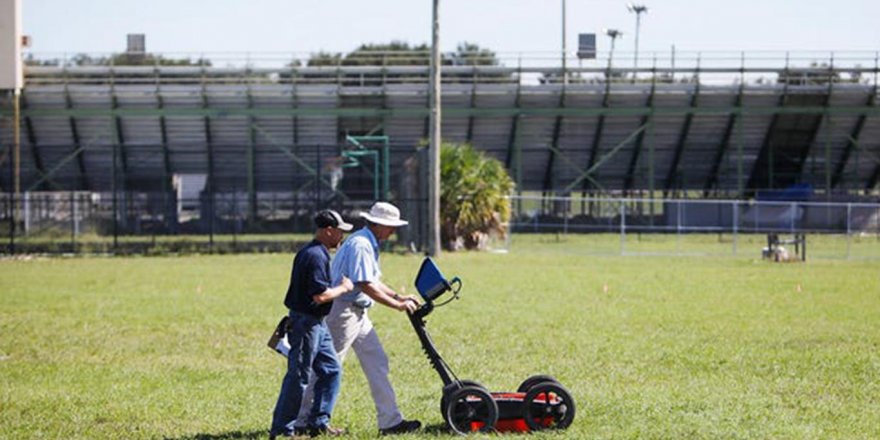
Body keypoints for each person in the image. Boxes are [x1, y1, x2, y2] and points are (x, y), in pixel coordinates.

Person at [298, 201, 422, 436]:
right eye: (390, 226)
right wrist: (397, 305)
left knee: (377, 362)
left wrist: (398, 295)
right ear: (378, 225)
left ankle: (390, 421)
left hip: (357, 312)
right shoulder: (362, 245)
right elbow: (365, 285)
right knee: (328, 367)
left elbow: (372, 280)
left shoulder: (367, 242)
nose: (393, 231)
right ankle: (302, 420)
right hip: (343, 313)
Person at [270, 209, 355, 439]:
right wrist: (344, 288)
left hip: (317, 323)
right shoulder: (316, 255)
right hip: (306, 324)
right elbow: (320, 296)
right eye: (339, 232)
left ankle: (318, 422)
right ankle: (282, 430)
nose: (341, 237)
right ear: (328, 231)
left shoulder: (315, 252)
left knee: (331, 370)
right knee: (298, 377)